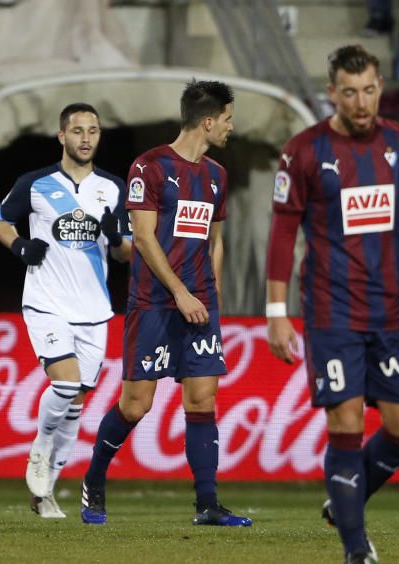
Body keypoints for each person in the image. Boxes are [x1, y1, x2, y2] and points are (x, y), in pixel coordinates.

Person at [265, 45, 399, 564]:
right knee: (345, 422)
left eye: (369, 89)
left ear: (380, 86)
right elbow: (282, 233)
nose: (362, 101)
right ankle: (354, 547)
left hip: (392, 312)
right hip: (332, 312)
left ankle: (345, 500)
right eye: (350, 92)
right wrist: (277, 310)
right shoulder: (303, 151)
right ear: (332, 93)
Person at [79, 80, 252, 529]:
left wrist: (210, 293)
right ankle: (94, 479)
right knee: (136, 405)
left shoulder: (217, 175)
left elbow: (215, 241)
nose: (232, 128)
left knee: (202, 398)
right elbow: (142, 238)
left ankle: (207, 504)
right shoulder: (149, 167)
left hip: (199, 304)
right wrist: (180, 292)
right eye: (228, 120)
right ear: (209, 121)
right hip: (155, 302)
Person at [0, 103, 131, 519]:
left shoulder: (113, 187)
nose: (86, 138)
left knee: (75, 405)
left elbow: (126, 253)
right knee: (66, 386)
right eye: (78, 131)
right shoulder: (34, 184)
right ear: (62, 137)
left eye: (93, 131)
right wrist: (19, 246)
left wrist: (115, 238)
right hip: (46, 303)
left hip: (94, 309)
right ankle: (39, 447)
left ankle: (45, 491)